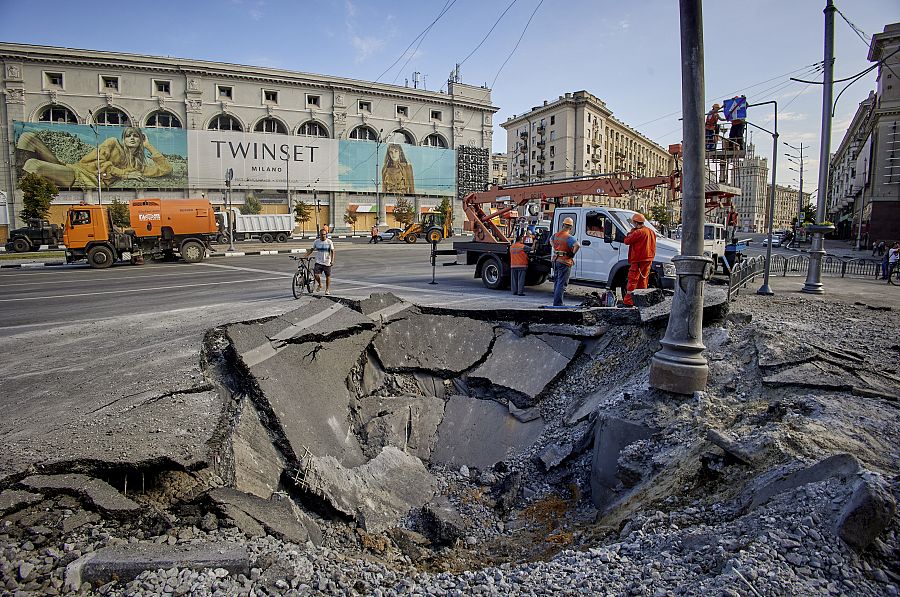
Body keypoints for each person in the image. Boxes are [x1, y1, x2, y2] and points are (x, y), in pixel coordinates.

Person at [17, 127, 172, 189]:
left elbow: (166, 169)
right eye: (128, 136)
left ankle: (25, 184)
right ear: (123, 139)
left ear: (140, 140)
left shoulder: (138, 166)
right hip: (74, 168)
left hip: (82, 179)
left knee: (34, 165)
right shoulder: (112, 143)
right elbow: (98, 162)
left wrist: (148, 146)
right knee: (27, 137)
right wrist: (124, 173)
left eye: (136, 136)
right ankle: (20, 177)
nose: (132, 138)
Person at [622, 213, 656, 307]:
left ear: (636, 223)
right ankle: (641, 301)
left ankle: (628, 302)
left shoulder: (638, 232)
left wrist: (631, 231)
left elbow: (626, 241)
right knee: (643, 281)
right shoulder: (650, 231)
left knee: (633, 280)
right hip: (648, 259)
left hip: (638, 260)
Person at [550, 217, 580, 306]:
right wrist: (572, 254)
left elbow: (551, 240)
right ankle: (558, 303)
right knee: (561, 283)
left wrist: (555, 247)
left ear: (563, 225)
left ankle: (556, 302)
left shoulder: (555, 235)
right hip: (564, 261)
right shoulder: (569, 237)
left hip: (556, 260)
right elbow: (577, 245)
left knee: (557, 282)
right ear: (570, 228)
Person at [306, 227, 335, 295]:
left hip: (327, 262)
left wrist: (332, 260)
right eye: (321, 234)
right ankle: (320, 284)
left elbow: (333, 251)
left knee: (328, 276)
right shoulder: (316, 241)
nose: (323, 236)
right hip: (319, 262)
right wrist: (305, 256)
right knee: (316, 275)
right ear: (319, 235)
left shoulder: (329, 242)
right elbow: (311, 250)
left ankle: (327, 290)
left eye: (324, 234)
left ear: (326, 234)